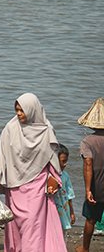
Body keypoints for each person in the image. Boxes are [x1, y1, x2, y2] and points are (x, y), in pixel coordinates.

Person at [0, 93, 67, 252]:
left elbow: (52, 161)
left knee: (33, 228)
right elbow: (2, 155)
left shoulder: (46, 131)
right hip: (15, 188)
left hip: (37, 188)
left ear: (32, 110)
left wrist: (55, 180)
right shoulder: (10, 128)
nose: (18, 113)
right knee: (17, 228)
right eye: (17, 110)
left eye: (22, 110)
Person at [76, 98, 104, 252]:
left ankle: (85, 248)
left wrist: (88, 190)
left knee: (91, 219)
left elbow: (88, 164)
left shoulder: (87, 141)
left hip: (96, 186)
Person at [52, 144, 75, 238]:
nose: (65, 164)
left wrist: (72, 213)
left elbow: (70, 196)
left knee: (63, 234)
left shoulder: (65, 176)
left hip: (64, 211)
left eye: (66, 161)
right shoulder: (49, 176)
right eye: (63, 161)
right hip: (53, 213)